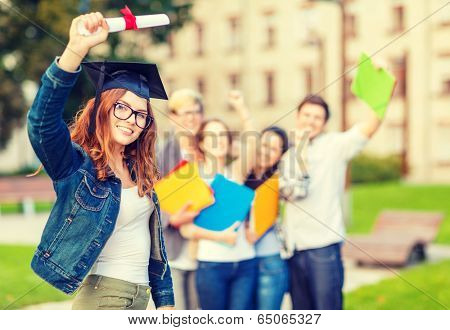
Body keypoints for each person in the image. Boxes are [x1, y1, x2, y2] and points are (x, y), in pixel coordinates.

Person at [27, 12, 174, 310]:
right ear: (103, 109)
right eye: (122, 108)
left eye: (141, 114)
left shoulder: (140, 170)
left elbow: (152, 243)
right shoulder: (76, 166)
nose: (132, 120)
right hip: (103, 300)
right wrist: (76, 50)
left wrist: (165, 301)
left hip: (140, 299)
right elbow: (41, 123)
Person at [280, 94, 385, 310]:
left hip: (323, 248)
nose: (310, 121)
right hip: (293, 249)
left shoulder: (335, 145)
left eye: (317, 117)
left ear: (325, 122)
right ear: (297, 117)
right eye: (306, 115)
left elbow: (371, 126)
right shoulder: (287, 154)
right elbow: (290, 194)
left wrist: (384, 90)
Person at [179, 91, 258, 310]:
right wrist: (220, 236)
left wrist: (242, 108)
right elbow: (187, 230)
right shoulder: (192, 178)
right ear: (202, 144)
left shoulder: (236, 173)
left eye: (223, 135)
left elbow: (253, 141)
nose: (219, 141)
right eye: (212, 136)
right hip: (211, 265)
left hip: (245, 263)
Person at [156, 89, 205, 310]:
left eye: (196, 112)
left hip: (206, 249)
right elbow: (148, 201)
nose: (191, 118)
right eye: (184, 113)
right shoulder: (159, 155)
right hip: (174, 249)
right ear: (173, 117)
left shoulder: (211, 151)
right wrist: (171, 218)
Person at [244, 126, 290, 310]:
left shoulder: (282, 180)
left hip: (269, 260)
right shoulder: (242, 175)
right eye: (263, 145)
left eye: (273, 149)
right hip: (241, 261)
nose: (266, 152)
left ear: (281, 155)